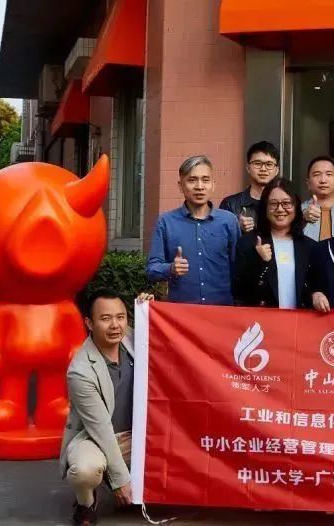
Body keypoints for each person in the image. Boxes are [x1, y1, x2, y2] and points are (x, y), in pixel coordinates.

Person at [61, 289, 154, 526]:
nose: (115, 325)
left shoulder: (131, 338)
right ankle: (85, 504)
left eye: (120, 317)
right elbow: (101, 429)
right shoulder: (80, 371)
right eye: (105, 318)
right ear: (89, 323)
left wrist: (151, 310)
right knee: (85, 471)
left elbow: (165, 336)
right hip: (97, 438)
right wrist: (120, 481)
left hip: (138, 434)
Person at [147, 156, 239, 305]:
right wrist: (171, 268)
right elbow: (152, 269)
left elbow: (239, 268)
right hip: (183, 312)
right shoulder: (166, 222)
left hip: (222, 310)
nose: (199, 186)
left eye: (205, 180)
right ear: (180, 186)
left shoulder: (229, 221)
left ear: (213, 185)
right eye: (192, 180)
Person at [232, 178, 317, 308]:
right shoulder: (248, 243)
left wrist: (317, 293)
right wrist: (258, 260)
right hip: (263, 319)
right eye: (273, 204)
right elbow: (238, 291)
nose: (280, 209)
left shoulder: (309, 246)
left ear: (296, 206)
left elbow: (316, 285)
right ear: (264, 208)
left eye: (286, 203)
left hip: (299, 319)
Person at [220, 141, 281, 233]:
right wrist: (236, 227)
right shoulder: (230, 204)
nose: (263, 169)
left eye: (269, 164)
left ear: (276, 170)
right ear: (248, 168)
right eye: (257, 163)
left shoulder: (285, 205)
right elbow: (220, 237)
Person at [301, 156, 334, 242]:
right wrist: (301, 219)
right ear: (308, 183)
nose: (323, 180)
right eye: (317, 175)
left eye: (329, 174)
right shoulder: (297, 211)